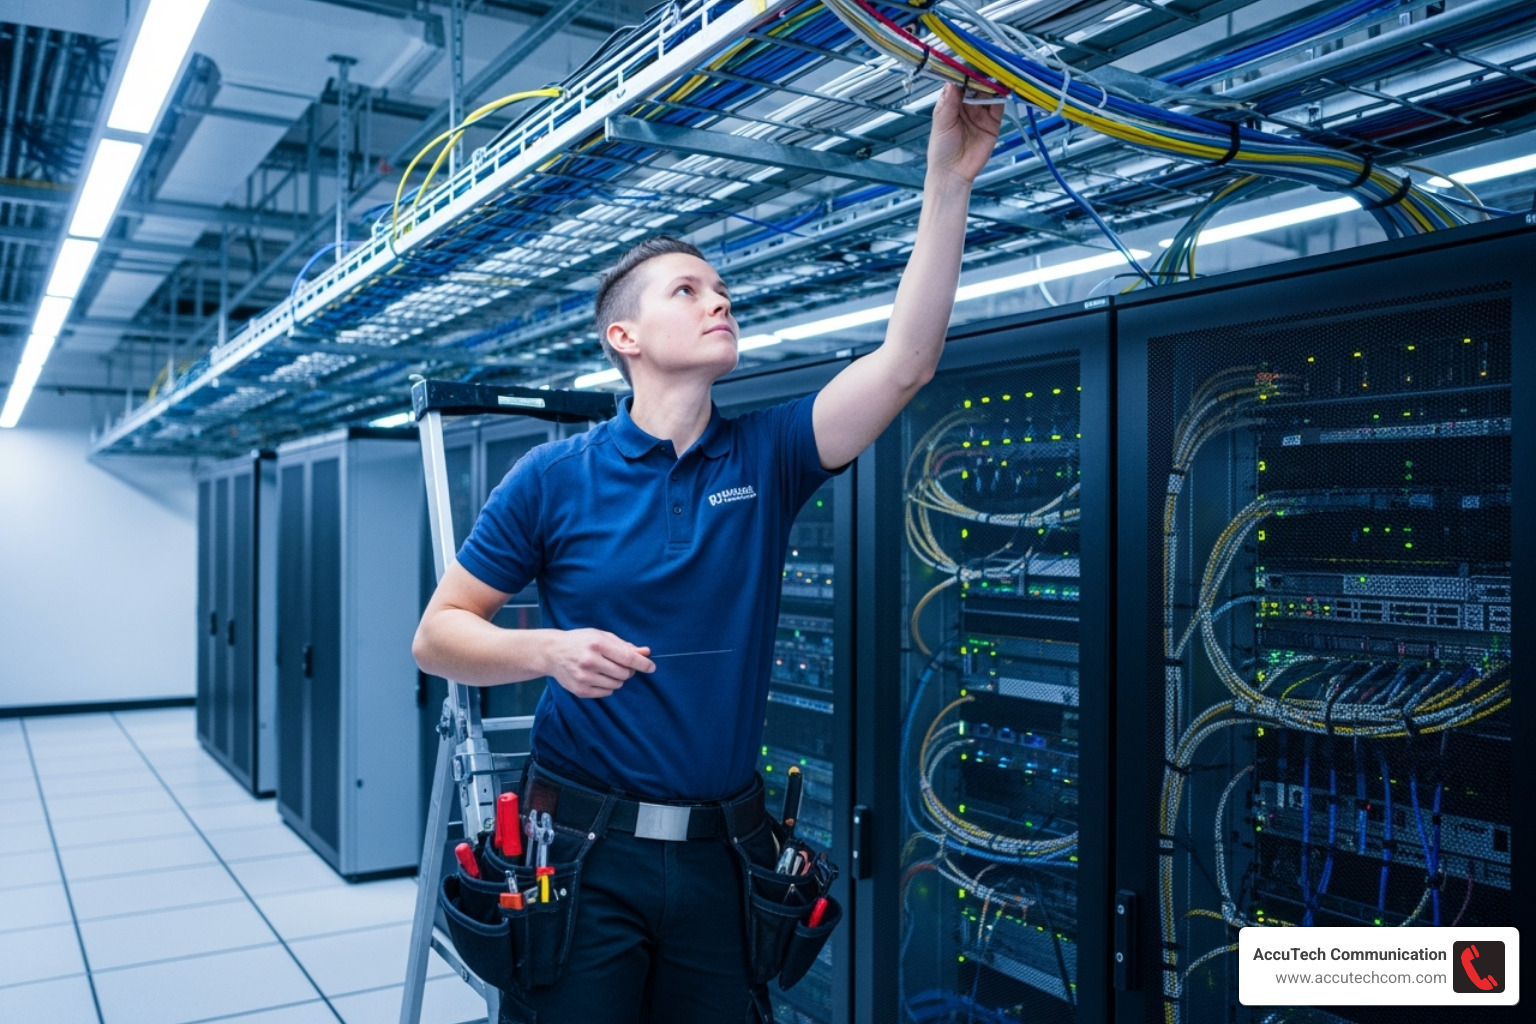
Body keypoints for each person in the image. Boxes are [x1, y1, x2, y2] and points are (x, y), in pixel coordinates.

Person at [413, 83, 1002, 1023]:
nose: (718, 298)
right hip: (582, 854)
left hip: (723, 856)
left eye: (721, 289)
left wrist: (948, 181)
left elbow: (905, 364)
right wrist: (546, 651)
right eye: (687, 290)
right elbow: (438, 636)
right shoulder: (552, 478)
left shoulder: (767, 456)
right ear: (626, 337)